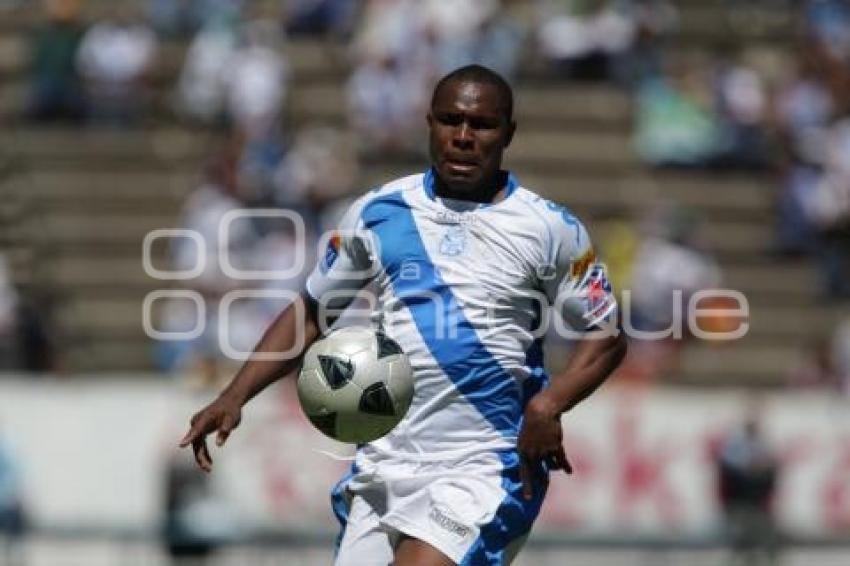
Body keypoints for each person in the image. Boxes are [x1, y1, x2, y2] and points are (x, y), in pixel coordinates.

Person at [180, 64, 627, 565]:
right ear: (428, 123)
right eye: (449, 120)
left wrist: (549, 405)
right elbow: (312, 311)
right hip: (386, 462)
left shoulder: (548, 227)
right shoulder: (380, 211)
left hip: (486, 462)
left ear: (508, 134)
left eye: (481, 125)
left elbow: (606, 334)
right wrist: (235, 394)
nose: (462, 137)